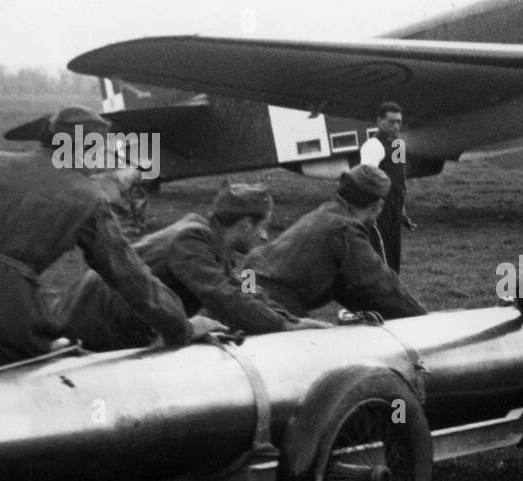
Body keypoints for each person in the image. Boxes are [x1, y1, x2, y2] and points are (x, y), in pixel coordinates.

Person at [0, 105, 206, 377]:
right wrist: (180, 327)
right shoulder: (85, 196)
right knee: (18, 408)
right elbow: (128, 275)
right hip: (4, 319)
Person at [56, 182, 326, 351]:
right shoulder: (192, 239)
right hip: (94, 323)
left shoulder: (231, 252)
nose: (266, 236)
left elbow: (250, 292)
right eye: (263, 227)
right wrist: (282, 328)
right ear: (245, 225)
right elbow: (222, 295)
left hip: (129, 322)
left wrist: (292, 321)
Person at [241, 164, 426, 319]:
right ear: (378, 206)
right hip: (271, 297)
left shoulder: (326, 212)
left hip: (247, 281)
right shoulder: (345, 228)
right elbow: (381, 283)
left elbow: (347, 287)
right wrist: (422, 318)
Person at [356, 101, 413, 273]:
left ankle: (391, 288)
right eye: (391, 121)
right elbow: (366, 179)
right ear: (379, 122)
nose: (396, 126)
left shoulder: (398, 144)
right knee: (379, 253)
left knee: (393, 252)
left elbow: (399, 178)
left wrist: (401, 208)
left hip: (394, 205)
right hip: (379, 206)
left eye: (399, 122)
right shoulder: (373, 146)